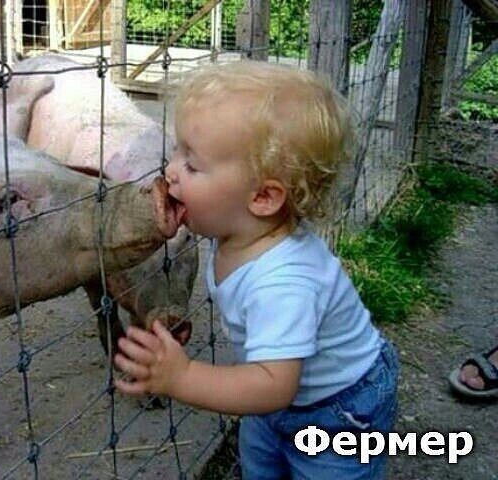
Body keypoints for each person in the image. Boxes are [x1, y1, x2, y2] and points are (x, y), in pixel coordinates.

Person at [114, 61, 399, 479]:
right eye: (177, 151)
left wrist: (183, 377)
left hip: (339, 409)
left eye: (192, 165)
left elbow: (272, 385)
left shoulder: (284, 282)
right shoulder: (241, 229)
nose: (170, 170)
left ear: (263, 198)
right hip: (277, 400)